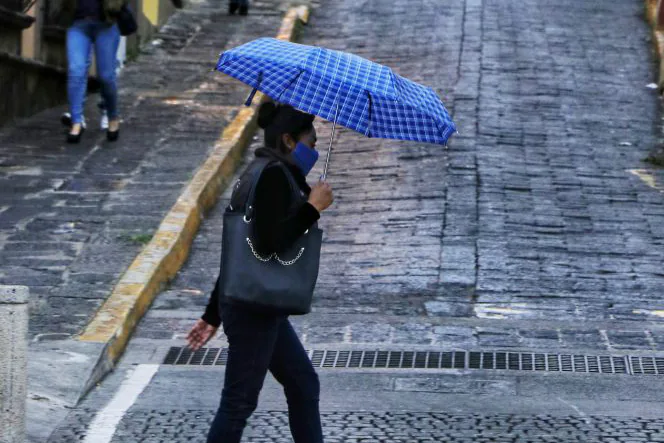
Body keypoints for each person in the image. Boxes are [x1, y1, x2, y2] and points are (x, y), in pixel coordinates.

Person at [187, 102, 334, 443]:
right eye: (310, 144)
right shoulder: (272, 178)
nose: (314, 151)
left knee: (302, 382)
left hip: (254, 302)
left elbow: (238, 252)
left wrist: (212, 314)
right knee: (238, 403)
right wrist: (312, 209)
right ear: (288, 140)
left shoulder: (263, 170)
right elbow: (269, 244)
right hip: (255, 309)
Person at [59, 0, 125, 143]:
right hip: (78, 23)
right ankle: (76, 122)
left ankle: (112, 116)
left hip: (107, 24)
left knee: (106, 77)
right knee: (76, 70)